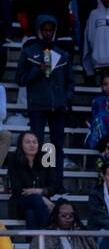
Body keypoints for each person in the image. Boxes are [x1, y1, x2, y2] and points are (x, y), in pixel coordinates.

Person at [18, 17, 76, 189]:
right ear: (39, 30)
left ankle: (55, 183)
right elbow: (20, 79)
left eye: (51, 30)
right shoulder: (29, 52)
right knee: (38, 145)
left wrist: (64, 98)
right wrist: (37, 70)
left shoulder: (62, 54)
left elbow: (70, 82)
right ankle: (39, 181)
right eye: (45, 30)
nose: (48, 33)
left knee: (55, 146)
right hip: (37, 107)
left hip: (57, 108)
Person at [6, 131, 57, 228]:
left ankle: (33, 243)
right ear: (21, 145)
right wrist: (41, 196)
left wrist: (40, 191)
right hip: (19, 203)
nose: (32, 145)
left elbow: (54, 187)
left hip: (38, 206)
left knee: (31, 214)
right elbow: (16, 189)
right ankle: (49, 234)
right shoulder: (13, 159)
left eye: (34, 142)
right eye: (27, 142)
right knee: (36, 199)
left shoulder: (46, 159)